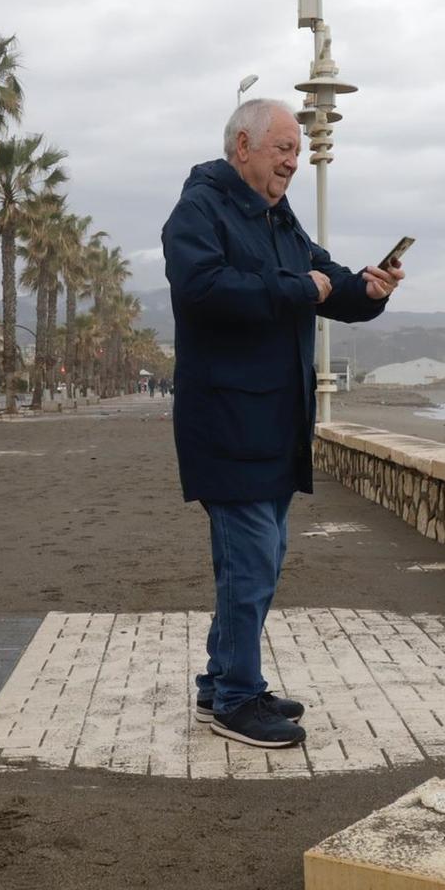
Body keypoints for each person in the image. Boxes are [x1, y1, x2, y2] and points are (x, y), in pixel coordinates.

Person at [161, 98, 403, 748]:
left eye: (297, 150)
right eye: (283, 149)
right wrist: (304, 289)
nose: (293, 161)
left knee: (250, 562)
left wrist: (369, 291)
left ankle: (223, 681)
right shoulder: (200, 210)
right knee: (255, 562)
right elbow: (204, 290)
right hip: (226, 422)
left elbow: (325, 277)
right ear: (242, 148)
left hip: (273, 424)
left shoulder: (277, 218)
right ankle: (238, 700)